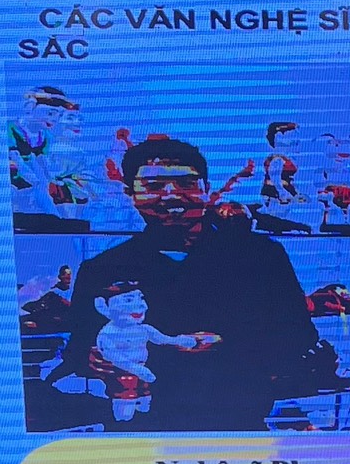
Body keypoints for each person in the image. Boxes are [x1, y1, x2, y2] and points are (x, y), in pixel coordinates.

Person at [46, 137, 322, 431]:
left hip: (238, 427)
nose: (171, 195)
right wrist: (93, 360)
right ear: (130, 194)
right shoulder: (101, 269)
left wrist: (225, 343)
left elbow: (300, 337)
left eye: (186, 184)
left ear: (206, 189)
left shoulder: (262, 256)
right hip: (137, 430)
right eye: (154, 186)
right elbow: (77, 352)